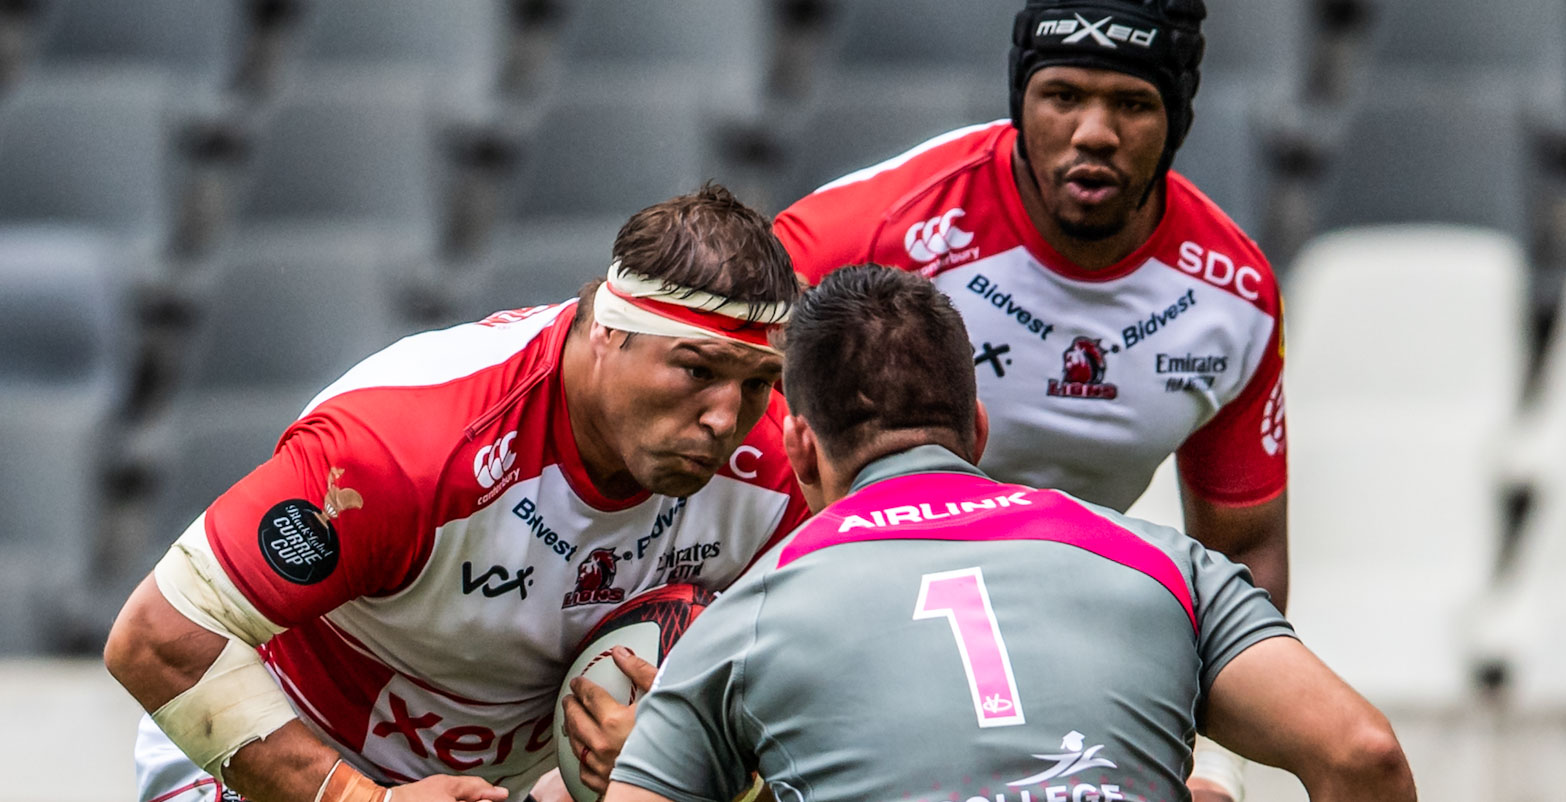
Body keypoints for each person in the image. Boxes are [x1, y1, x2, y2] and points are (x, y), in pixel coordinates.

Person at [103, 184, 812, 802]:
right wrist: (360, 799)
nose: (726, 418)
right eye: (696, 370)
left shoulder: (779, 473)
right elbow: (157, 637)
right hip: (282, 770)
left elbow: (820, 705)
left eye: (757, 382)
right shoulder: (406, 444)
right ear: (606, 330)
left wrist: (698, 766)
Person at [605, 264, 1414, 802]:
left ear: (800, 448)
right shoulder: (1163, 561)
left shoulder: (746, 618)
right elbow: (1363, 752)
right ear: (979, 430)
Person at [774, 3, 1281, 793]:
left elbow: (1245, 547)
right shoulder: (877, 225)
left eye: (1133, 103)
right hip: (845, 616)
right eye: (1063, 96)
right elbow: (723, 399)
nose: (1094, 132)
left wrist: (1215, 762)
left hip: (1068, 644)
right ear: (1020, 100)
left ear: (1178, 118)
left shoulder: (1232, 295)